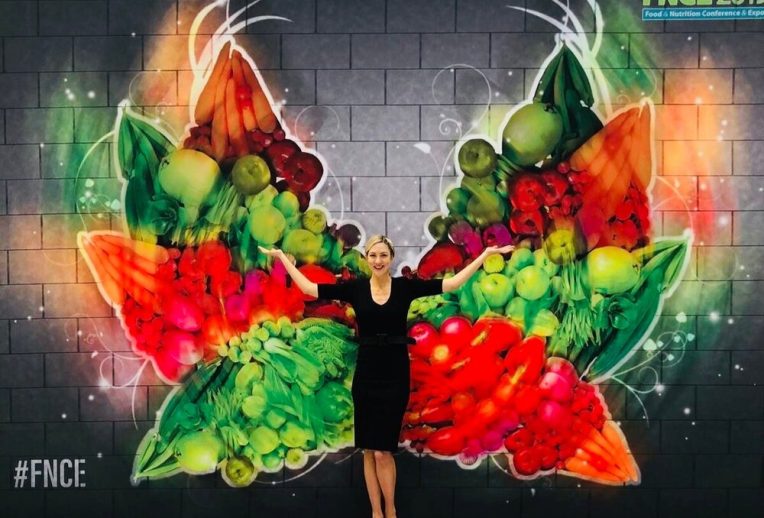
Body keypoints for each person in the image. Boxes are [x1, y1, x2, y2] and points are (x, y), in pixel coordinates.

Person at [259, 235, 513, 518]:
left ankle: (391, 510)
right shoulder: (355, 289)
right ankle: (376, 512)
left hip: (394, 373)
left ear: (390, 258)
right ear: (366, 259)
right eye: (373, 255)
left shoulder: (405, 288)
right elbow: (309, 287)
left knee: (383, 450)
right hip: (366, 373)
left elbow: (451, 283)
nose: (378, 260)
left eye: (383, 255)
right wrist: (282, 258)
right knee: (369, 449)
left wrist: (485, 254)